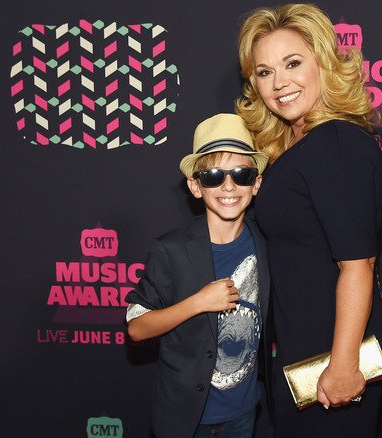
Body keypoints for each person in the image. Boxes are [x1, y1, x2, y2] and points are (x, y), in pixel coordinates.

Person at [235, 4, 382, 436]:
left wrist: (343, 365)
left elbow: (358, 264)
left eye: (293, 63)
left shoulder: (336, 142)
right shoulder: (295, 148)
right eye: (264, 72)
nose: (279, 82)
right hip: (299, 353)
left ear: (324, 62)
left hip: (330, 362)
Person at [124, 113, 270, 438]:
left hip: (244, 412)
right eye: (214, 175)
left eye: (242, 174)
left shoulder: (266, 242)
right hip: (185, 418)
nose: (229, 186)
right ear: (195, 186)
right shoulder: (170, 250)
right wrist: (198, 302)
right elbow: (136, 328)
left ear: (256, 182)